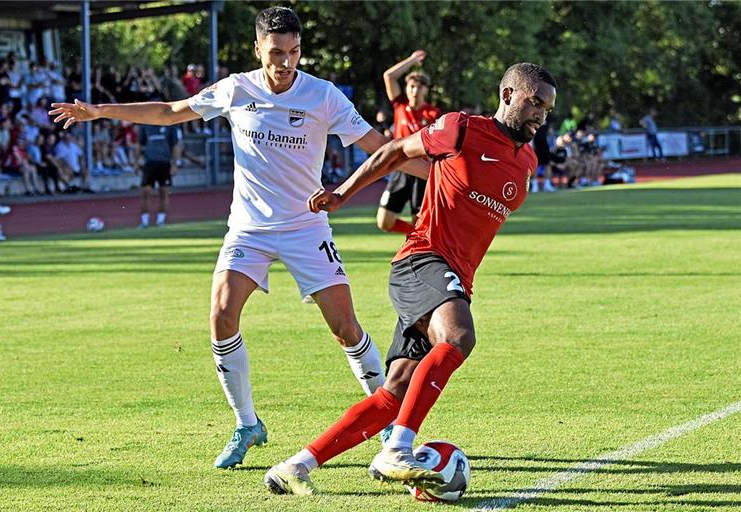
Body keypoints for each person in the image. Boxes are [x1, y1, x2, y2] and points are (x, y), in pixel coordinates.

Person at [49, 6, 428, 470]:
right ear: (257, 50)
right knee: (221, 315)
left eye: (293, 52)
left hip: (306, 226)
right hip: (247, 228)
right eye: (275, 53)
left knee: (345, 327)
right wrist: (99, 111)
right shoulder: (235, 89)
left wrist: (444, 173)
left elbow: (381, 150)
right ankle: (247, 423)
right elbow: (171, 112)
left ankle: (385, 416)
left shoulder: (323, 96)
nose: (285, 62)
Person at [264, 62, 556, 496]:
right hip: (421, 260)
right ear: (509, 95)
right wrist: (342, 194)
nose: (540, 114)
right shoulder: (460, 128)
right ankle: (397, 448)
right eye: (534, 102)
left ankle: (296, 465)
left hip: (451, 277)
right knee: (458, 338)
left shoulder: (527, 160)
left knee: (394, 394)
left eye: (548, 109)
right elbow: (395, 152)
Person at [376, 50, 440, 235]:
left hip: (422, 172)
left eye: (420, 87)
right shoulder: (400, 106)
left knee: (420, 221)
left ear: (426, 90)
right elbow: (388, 76)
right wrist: (411, 60)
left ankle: (421, 244)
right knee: (384, 221)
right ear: (406, 88)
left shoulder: (434, 114)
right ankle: (417, 237)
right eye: (411, 86)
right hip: (400, 169)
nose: (415, 91)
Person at [137, 120, 182, 228]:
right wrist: (136, 161)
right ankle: (144, 221)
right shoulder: (145, 125)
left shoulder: (170, 125)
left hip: (164, 162)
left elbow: (175, 145)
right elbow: (140, 144)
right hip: (149, 162)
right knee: (145, 192)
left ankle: (160, 221)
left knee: (164, 192)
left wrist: (175, 164)